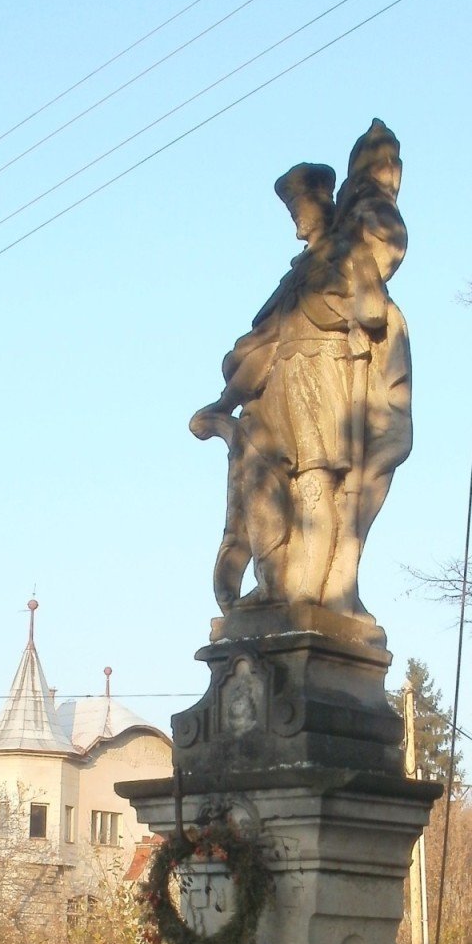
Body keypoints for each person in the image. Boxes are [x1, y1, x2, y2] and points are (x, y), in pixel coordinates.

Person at [190, 122, 412, 620]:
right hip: (281, 387)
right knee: (269, 487)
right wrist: (225, 403)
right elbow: (263, 340)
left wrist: (341, 309)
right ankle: (277, 587)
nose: (296, 224)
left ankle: (311, 595)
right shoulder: (297, 272)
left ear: (323, 202)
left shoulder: (349, 254)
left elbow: (372, 311)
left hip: (325, 376)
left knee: (317, 484)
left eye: (300, 211)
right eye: (291, 214)